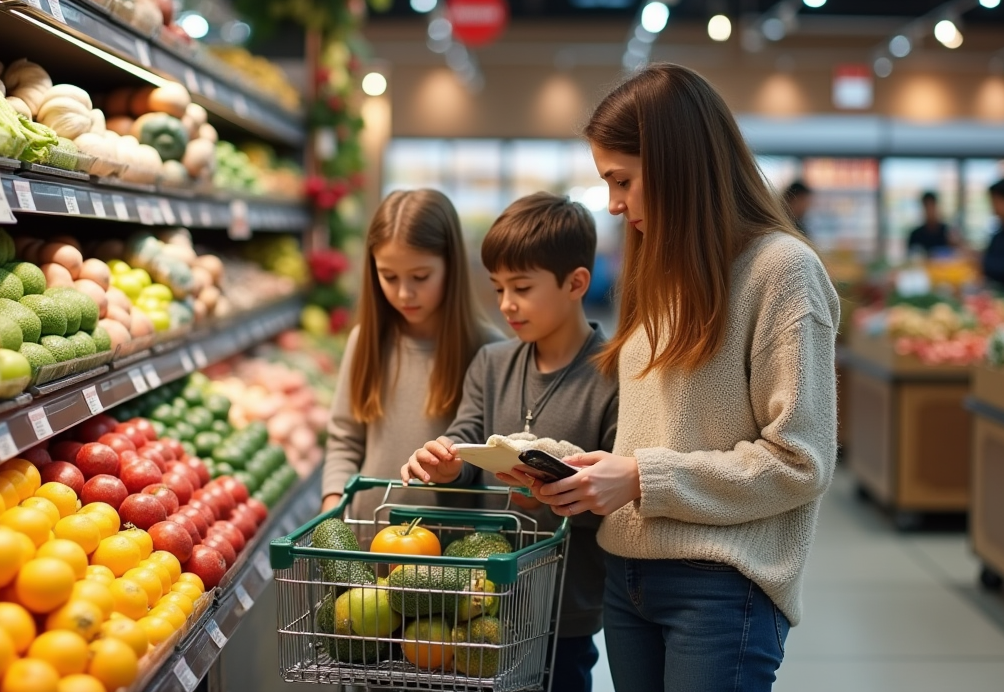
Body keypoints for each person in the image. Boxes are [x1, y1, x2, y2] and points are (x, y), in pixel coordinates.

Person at [526, 64, 840, 692]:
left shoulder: (782, 272)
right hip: (628, 576)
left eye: (623, 180)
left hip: (722, 587)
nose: (614, 203)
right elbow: (655, 434)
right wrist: (576, 468)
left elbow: (800, 462)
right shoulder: (657, 272)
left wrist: (642, 477)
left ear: (676, 166)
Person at [401, 192, 619, 692]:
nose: (505, 305)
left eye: (521, 287)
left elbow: (616, 496)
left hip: (565, 601)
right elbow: (466, 441)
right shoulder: (493, 364)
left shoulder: (613, 374)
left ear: (576, 283)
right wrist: (448, 464)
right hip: (479, 593)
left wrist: (560, 492)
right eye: (498, 288)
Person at [320, 189, 500, 523]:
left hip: (451, 551)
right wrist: (333, 506)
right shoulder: (365, 341)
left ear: (451, 265)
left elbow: (491, 460)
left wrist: (455, 467)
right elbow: (344, 442)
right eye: (388, 276)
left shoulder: (491, 351)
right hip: (368, 534)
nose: (404, 293)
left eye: (420, 277)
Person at [907, 191, 957, 256]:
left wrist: (955, 245)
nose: (930, 211)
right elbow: (910, 258)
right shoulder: (915, 235)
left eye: (932, 206)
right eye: (927, 207)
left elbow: (960, 254)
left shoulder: (948, 233)